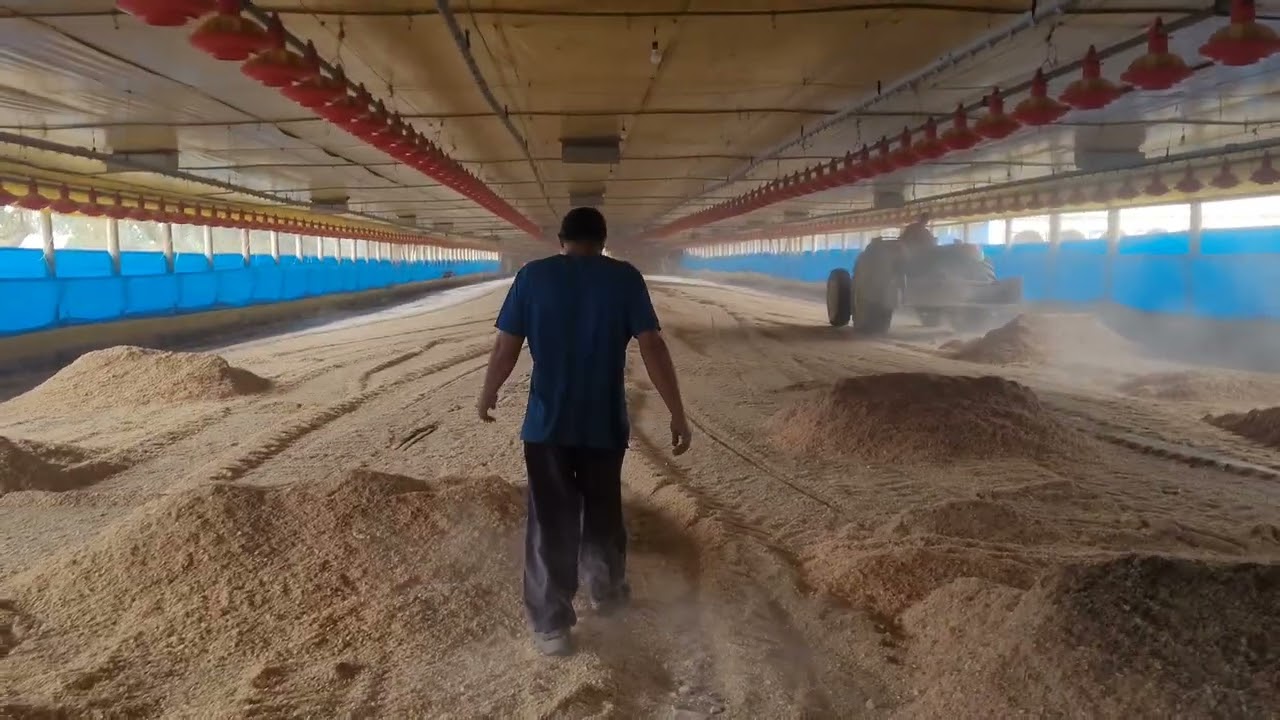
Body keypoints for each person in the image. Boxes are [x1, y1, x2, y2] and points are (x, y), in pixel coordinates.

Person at [477, 207, 691, 657]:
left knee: (551, 519)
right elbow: (652, 345)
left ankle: (552, 625)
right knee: (602, 510)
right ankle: (606, 593)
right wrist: (676, 411)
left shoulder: (533, 277)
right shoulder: (625, 278)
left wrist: (488, 392)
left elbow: (505, 345)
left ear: (561, 240)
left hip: (547, 424)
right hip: (602, 422)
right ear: (603, 240)